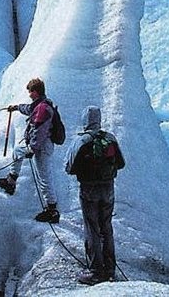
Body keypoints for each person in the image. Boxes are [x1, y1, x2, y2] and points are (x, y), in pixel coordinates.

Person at [65, 105, 126, 285]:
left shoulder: (81, 141)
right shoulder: (110, 138)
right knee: (106, 226)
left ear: (85, 121)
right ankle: (110, 268)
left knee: (92, 227)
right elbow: (121, 163)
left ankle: (95, 271)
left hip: (89, 189)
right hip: (108, 188)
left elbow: (69, 167)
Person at [0, 77, 59, 223]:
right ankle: (11, 181)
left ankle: (52, 210)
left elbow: (40, 130)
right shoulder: (38, 106)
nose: (29, 94)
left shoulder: (42, 108)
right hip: (40, 145)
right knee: (18, 150)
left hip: (42, 146)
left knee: (44, 177)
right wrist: (16, 107)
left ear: (35, 92)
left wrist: (32, 147)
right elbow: (28, 109)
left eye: (30, 92)